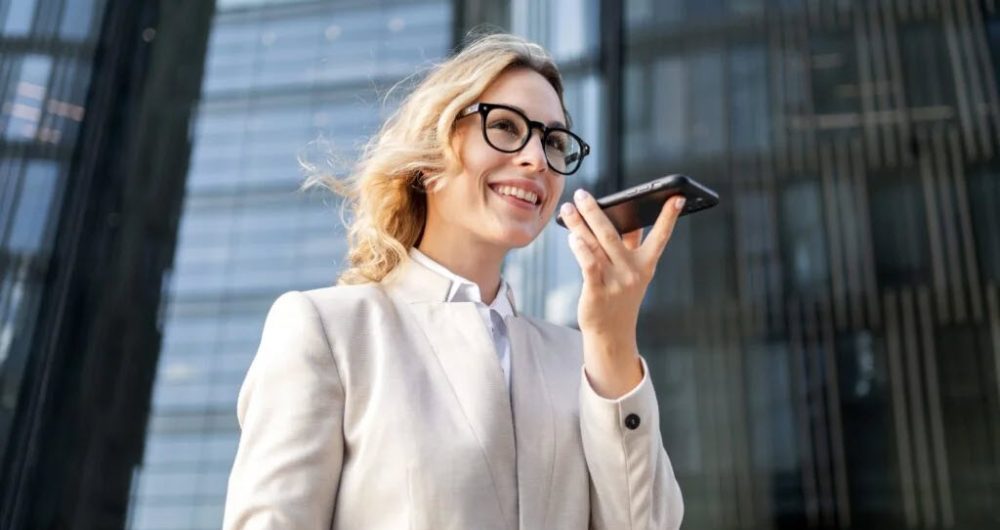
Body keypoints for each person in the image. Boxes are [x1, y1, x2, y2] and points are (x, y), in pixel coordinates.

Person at [222, 32, 685, 529]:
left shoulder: (582, 362)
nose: (535, 159)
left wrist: (613, 339)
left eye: (553, 141)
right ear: (429, 158)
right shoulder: (330, 329)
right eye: (505, 127)